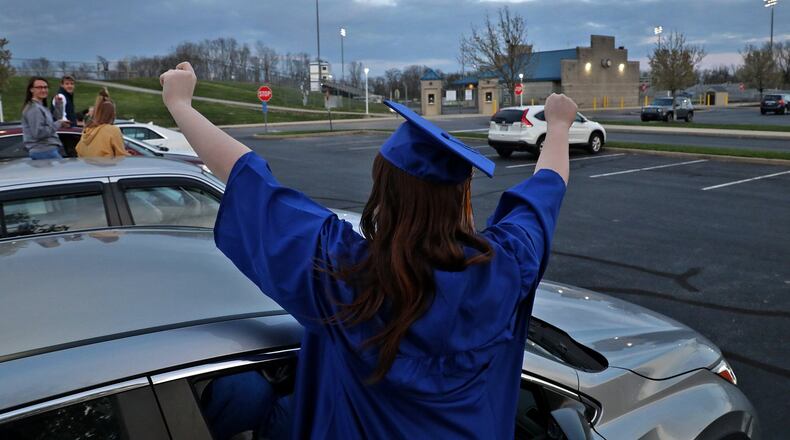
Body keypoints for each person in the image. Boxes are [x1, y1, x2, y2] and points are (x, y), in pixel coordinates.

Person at [160, 62, 576, 439]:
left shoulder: (345, 274)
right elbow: (545, 193)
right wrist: (557, 127)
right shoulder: (506, 268)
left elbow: (249, 181)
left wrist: (181, 104)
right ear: (461, 198)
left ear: (383, 194)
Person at [21, 77, 68, 160]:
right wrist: (58, 123)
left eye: (45, 87)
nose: (43, 90)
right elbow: (39, 133)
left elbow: (55, 119)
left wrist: (58, 105)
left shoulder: (40, 106)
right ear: (31, 90)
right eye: (39, 87)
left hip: (47, 150)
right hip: (44, 151)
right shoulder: (34, 108)